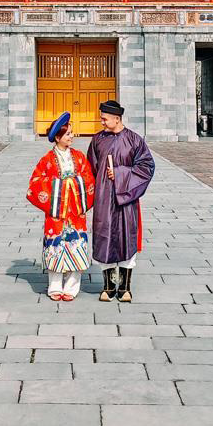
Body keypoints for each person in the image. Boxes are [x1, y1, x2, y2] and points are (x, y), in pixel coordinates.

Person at [87, 100, 155, 302]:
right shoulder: (98, 140)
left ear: (117, 118)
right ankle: (108, 287)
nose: (102, 121)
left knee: (127, 238)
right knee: (104, 237)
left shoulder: (134, 140)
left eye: (105, 118)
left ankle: (125, 288)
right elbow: (90, 169)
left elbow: (146, 167)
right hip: (104, 198)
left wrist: (120, 173)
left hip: (126, 200)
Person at [25, 111, 96, 301]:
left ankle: (72, 286)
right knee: (55, 245)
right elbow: (36, 182)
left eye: (72, 133)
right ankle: (55, 285)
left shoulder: (80, 157)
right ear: (58, 137)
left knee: (76, 244)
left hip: (75, 212)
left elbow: (89, 178)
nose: (72, 136)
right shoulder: (47, 160)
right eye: (68, 134)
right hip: (57, 212)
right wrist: (61, 185)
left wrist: (74, 183)